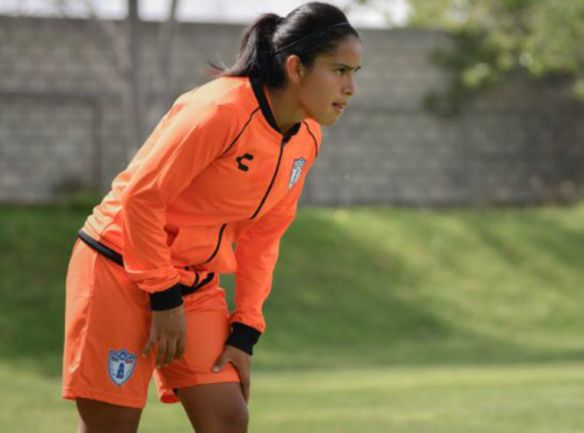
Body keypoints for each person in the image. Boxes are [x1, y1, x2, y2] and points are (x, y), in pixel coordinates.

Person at [61, 3, 362, 432]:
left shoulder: (307, 136)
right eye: (339, 71)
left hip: (193, 282)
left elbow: (264, 236)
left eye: (355, 72)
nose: (351, 87)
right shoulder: (219, 110)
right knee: (111, 426)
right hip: (117, 268)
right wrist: (162, 298)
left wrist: (245, 330)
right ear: (296, 67)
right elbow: (142, 199)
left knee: (227, 417)